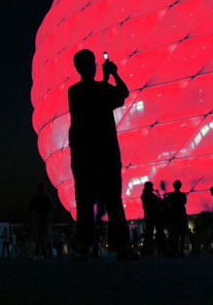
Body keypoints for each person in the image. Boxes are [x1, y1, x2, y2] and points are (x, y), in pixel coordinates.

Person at [67, 49, 136, 261]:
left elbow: (102, 94)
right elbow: (123, 93)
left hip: (83, 154)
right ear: (94, 65)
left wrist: (106, 79)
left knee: (84, 201)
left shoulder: (74, 91)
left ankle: (84, 247)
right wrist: (113, 74)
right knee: (113, 200)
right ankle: (122, 246)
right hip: (106, 152)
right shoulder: (100, 89)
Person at [27, 183, 52, 257]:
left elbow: (30, 208)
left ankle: (41, 251)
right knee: (44, 235)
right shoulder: (46, 198)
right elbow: (50, 209)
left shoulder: (37, 198)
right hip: (43, 218)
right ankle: (45, 251)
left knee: (41, 235)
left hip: (40, 218)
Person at [141, 182, 164, 255]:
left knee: (149, 233)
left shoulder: (145, 195)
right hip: (153, 216)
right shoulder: (149, 196)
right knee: (154, 233)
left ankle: (147, 250)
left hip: (150, 216)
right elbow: (157, 203)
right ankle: (150, 249)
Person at [166, 180, 187, 257]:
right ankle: (180, 251)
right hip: (180, 216)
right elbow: (184, 202)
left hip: (175, 216)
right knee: (181, 235)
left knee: (176, 235)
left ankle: (176, 251)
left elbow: (169, 204)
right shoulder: (182, 195)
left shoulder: (171, 195)